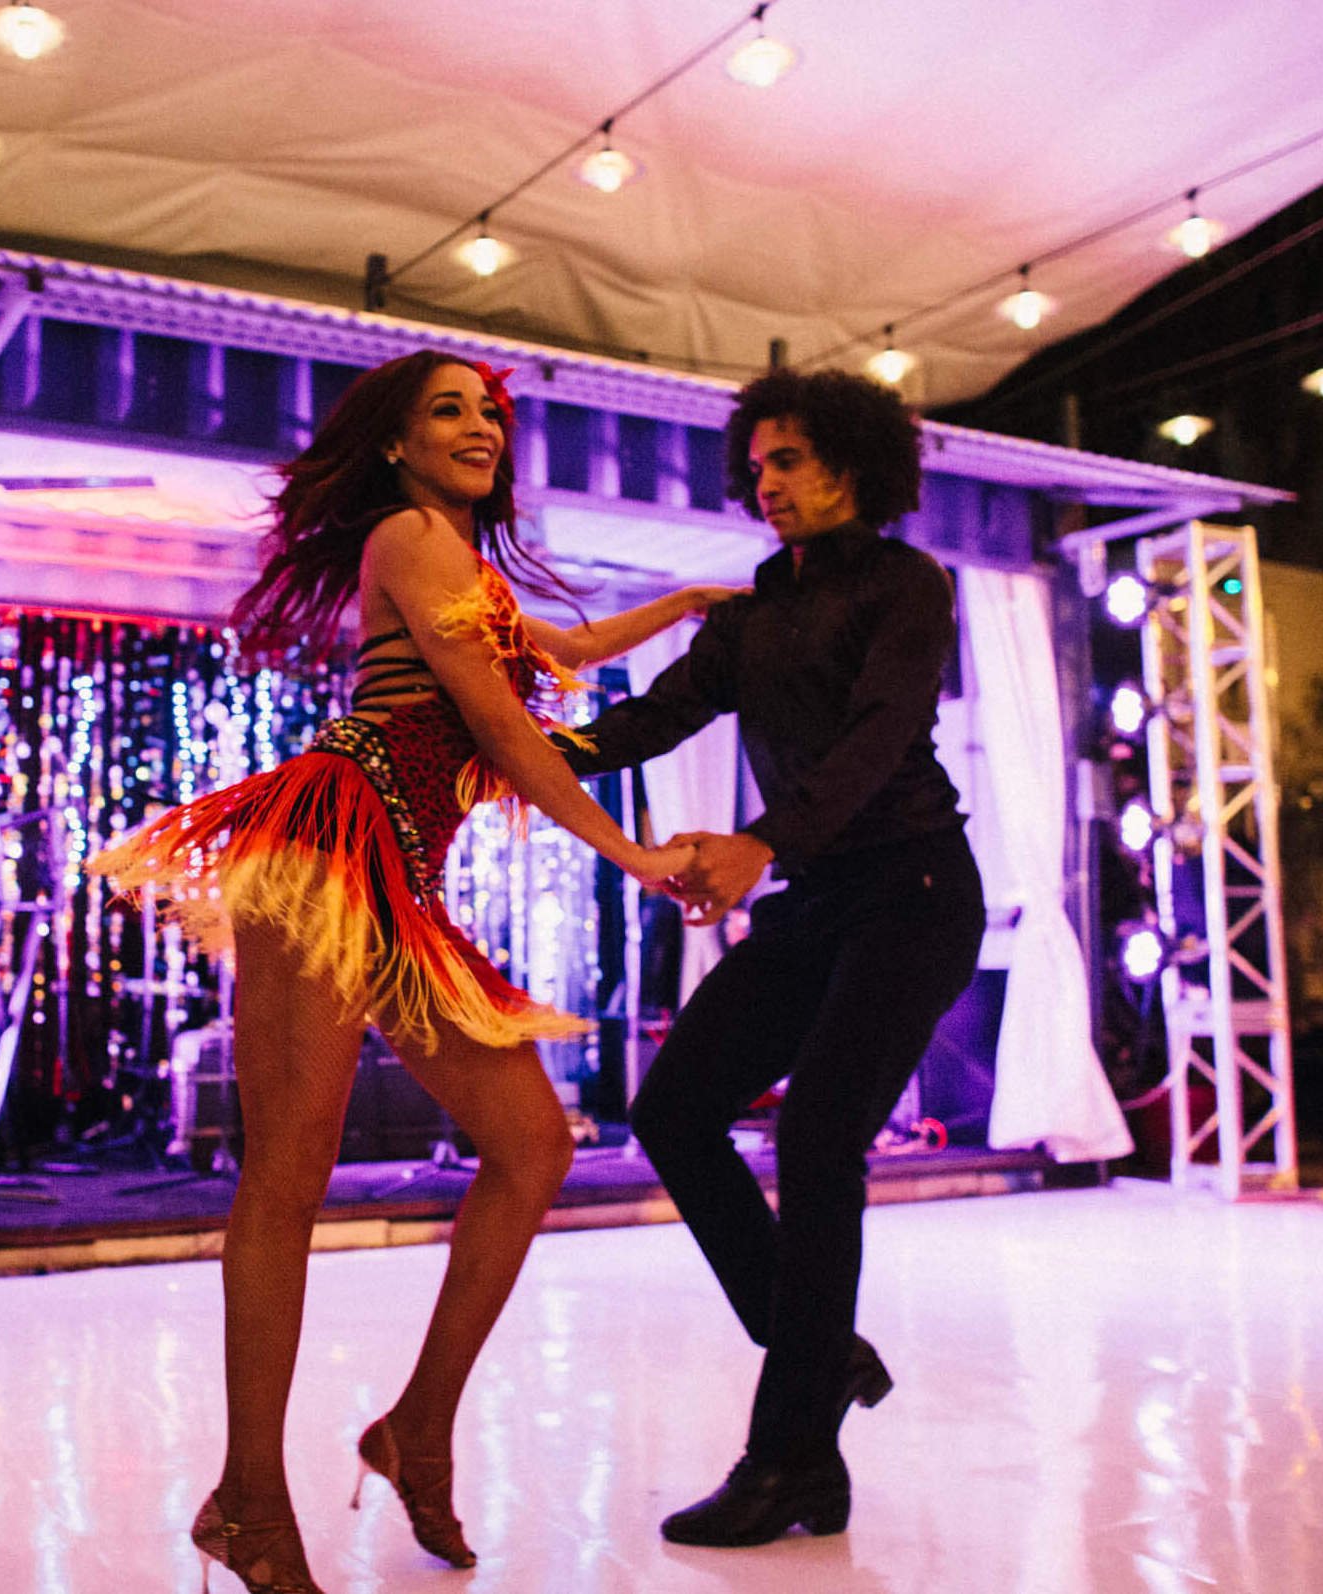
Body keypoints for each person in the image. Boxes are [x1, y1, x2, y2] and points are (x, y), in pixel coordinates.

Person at [90, 350, 739, 1593]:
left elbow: (560, 649)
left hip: (398, 893)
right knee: (287, 1174)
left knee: (532, 1145)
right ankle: (247, 1500)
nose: (481, 424)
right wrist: (631, 853)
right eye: (449, 408)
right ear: (394, 443)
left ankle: (417, 1426)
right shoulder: (405, 535)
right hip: (325, 860)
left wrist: (687, 605)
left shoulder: (464, 565)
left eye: (490, 409)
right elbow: (503, 726)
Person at [561, 366, 986, 1548]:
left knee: (813, 1137)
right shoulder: (748, 615)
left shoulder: (906, 586)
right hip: (813, 895)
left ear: (851, 463)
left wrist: (758, 842)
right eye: (754, 466)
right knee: (674, 1110)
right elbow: (644, 720)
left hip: (910, 890)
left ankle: (788, 1457)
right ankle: (816, 1354)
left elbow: (875, 739)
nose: (766, 484)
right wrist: (518, 754)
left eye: (787, 460)